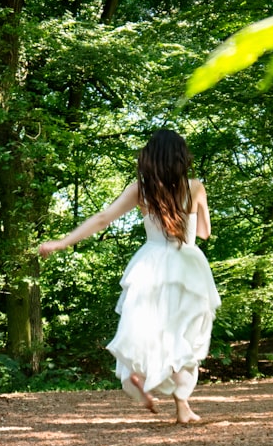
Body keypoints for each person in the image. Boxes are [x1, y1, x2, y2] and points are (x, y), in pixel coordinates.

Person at [38, 129, 221, 424]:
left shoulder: (142, 190)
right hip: (188, 266)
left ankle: (138, 377)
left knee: (149, 327)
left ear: (150, 158)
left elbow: (102, 219)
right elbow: (204, 233)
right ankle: (183, 407)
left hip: (150, 265)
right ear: (180, 158)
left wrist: (62, 242)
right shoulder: (195, 187)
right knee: (181, 334)